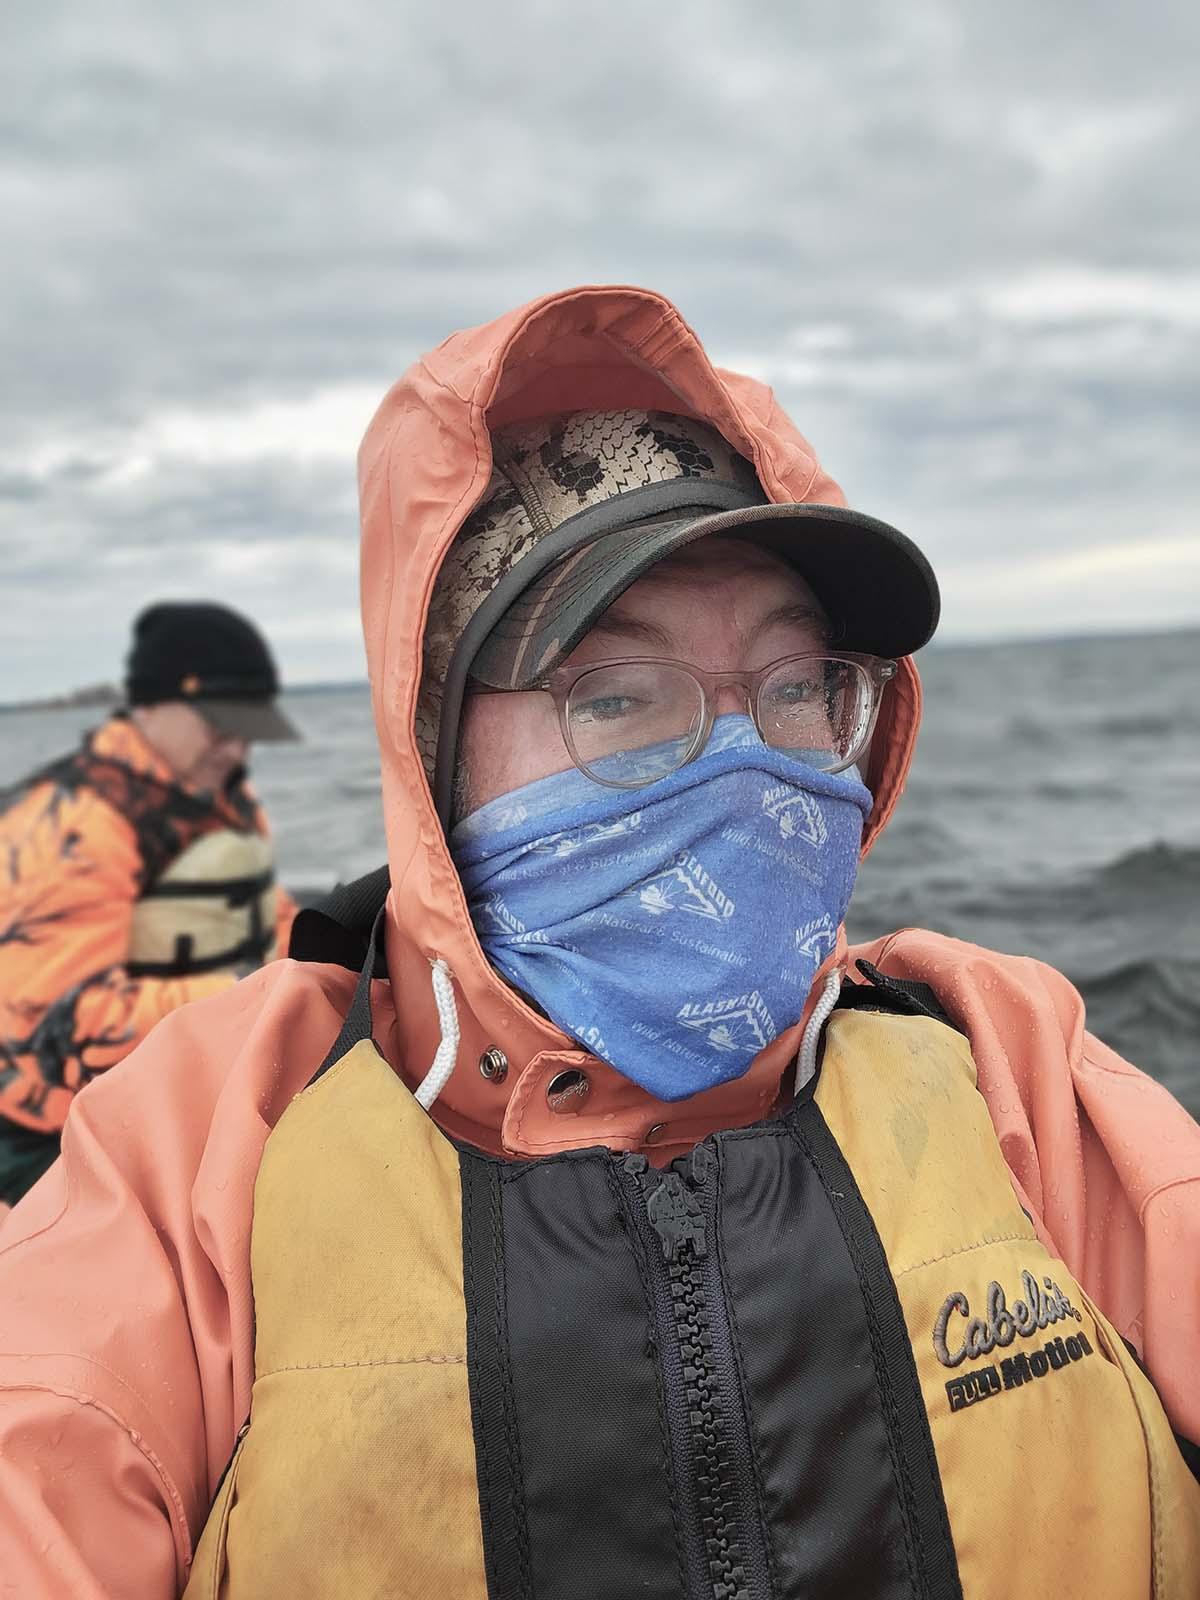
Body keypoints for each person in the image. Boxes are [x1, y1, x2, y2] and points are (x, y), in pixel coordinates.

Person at [1, 285, 1197, 1599]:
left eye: (799, 684)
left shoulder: (1012, 1062)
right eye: (616, 696)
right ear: (434, 741)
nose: (741, 757)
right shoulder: (200, 1149)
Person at [0, 601, 299, 1207]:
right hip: (57, 1134)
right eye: (221, 725)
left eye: (249, 729)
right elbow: (55, 1026)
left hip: (187, 1091)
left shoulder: (225, 800)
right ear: (150, 706)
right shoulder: (76, 824)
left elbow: (272, 921)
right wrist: (253, 996)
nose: (237, 749)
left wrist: (334, 961)